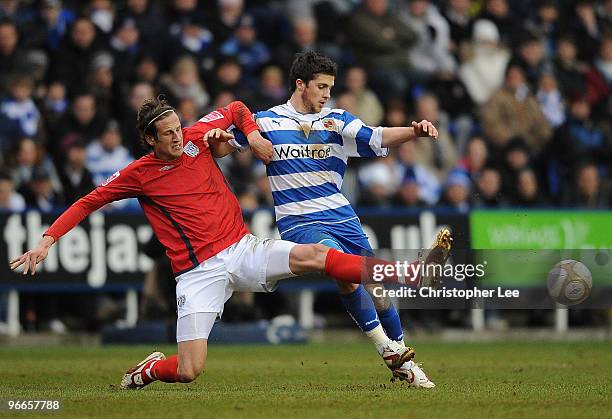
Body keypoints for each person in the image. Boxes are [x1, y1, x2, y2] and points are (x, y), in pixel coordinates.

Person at [10, 96, 449, 390]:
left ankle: (408, 271)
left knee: (319, 257)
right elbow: (87, 202)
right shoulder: (137, 174)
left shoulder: (199, 137)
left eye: (179, 128)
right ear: (150, 140)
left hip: (242, 249)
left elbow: (237, 108)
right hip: (198, 273)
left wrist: (252, 134)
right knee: (188, 370)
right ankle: (148, 369)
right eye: (168, 134)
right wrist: (48, 240)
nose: (179, 137)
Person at [229, 52, 450, 384]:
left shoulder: (337, 120)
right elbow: (226, 143)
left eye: (330, 88)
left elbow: (376, 137)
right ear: (300, 85)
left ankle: (402, 359)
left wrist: (413, 131)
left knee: (377, 288)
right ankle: (387, 349)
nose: (326, 94)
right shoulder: (267, 122)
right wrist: (220, 138)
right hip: (300, 222)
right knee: (341, 270)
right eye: (321, 87)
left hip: (343, 216)